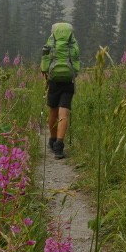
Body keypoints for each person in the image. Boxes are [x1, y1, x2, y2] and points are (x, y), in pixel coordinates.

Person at [40, 21, 81, 159]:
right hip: (68, 81)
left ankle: (52, 140)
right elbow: (76, 59)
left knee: (53, 111)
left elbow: (45, 58)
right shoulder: (72, 42)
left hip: (53, 80)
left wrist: (45, 73)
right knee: (64, 112)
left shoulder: (51, 40)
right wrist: (74, 73)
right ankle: (59, 146)